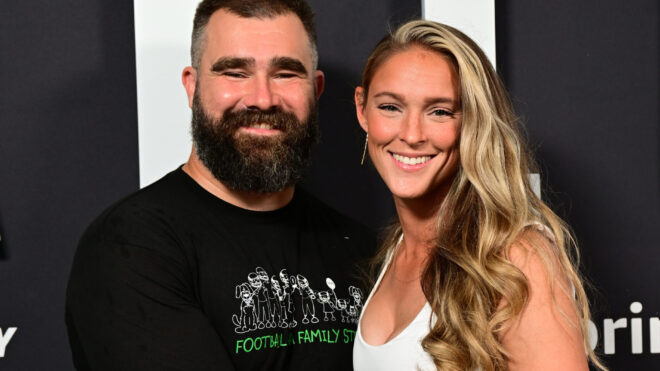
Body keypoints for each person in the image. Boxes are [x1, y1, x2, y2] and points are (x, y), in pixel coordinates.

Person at [65, 1, 375, 370]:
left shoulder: (364, 249)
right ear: (192, 87)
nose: (263, 98)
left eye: (285, 74)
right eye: (235, 72)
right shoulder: (130, 246)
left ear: (316, 90)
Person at [352, 20, 606, 371]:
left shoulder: (516, 256)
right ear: (362, 109)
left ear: (473, 122)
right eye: (391, 107)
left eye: (439, 111)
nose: (411, 134)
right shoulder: (396, 250)